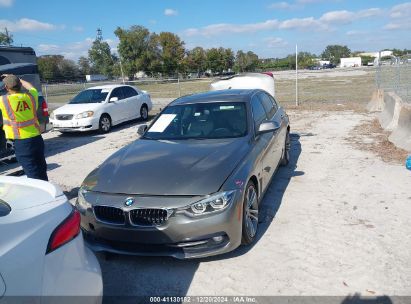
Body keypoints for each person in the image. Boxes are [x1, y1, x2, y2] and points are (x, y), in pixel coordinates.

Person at [0, 74, 48, 181]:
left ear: (7, 88)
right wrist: (17, 78)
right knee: (41, 168)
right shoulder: (31, 97)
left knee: (32, 173)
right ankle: (47, 191)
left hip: (22, 143)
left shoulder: (3, 101)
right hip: (37, 139)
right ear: (20, 85)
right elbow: (31, 87)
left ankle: (40, 196)